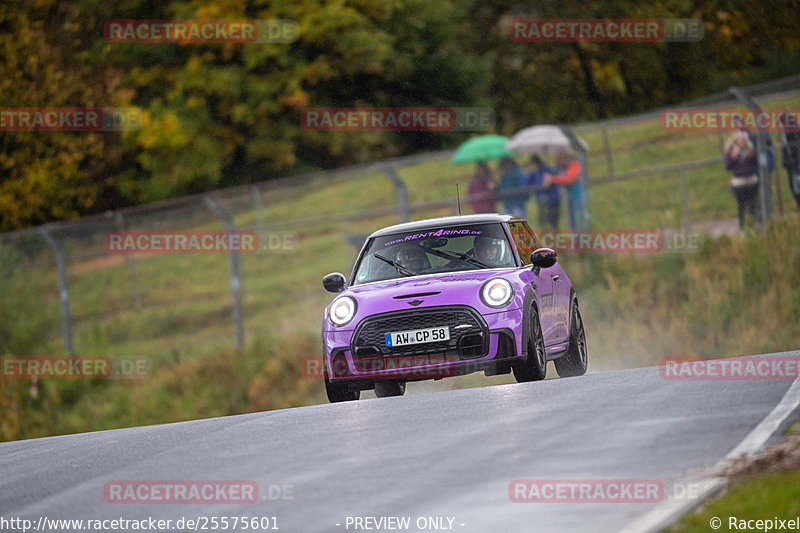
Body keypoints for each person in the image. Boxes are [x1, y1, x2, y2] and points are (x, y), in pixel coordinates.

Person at [724, 131, 760, 229]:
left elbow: (757, 163)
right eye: (739, 140)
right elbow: (727, 167)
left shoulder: (750, 149)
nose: (741, 142)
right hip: (739, 183)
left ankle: (754, 224)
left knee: (753, 204)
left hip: (751, 180)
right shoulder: (731, 151)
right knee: (741, 205)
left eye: (742, 140)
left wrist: (751, 156)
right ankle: (742, 226)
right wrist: (733, 158)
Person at [545, 151, 584, 230]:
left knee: (580, 219)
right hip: (569, 198)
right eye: (558, 159)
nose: (559, 161)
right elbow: (556, 174)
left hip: (578, 197)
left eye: (561, 158)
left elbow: (568, 179)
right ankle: (576, 239)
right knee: (571, 221)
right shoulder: (563, 168)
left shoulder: (574, 165)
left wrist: (552, 179)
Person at [523, 154, 561, 229]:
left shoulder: (546, 169)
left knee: (553, 222)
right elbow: (525, 184)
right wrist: (531, 173)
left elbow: (547, 183)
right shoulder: (533, 173)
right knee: (543, 222)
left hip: (553, 200)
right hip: (542, 201)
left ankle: (553, 237)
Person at [779, 113, 800, 211]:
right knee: (793, 186)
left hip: (797, 163)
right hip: (790, 164)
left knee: (797, 186)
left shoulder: (796, 131)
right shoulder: (783, 133)